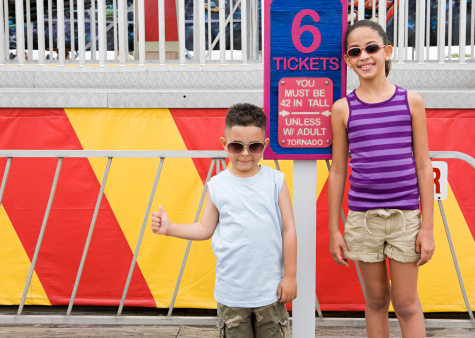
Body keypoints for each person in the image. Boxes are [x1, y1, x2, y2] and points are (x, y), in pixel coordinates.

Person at [151, 103, 297, 337]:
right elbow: (204, 228)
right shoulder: (217, 185)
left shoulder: (276, 181)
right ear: (224, 144)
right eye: (236, 146)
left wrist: (290, 276)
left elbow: (288, 229)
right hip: (232, 293)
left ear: (265, 145)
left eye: (254, 146)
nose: (246, 154)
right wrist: (170, 228)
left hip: (270, 291)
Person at [328, 20, 435, 338]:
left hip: (406, 219)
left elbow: (423, 166)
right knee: (375, 300)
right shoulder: (343, 109)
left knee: (405, 304)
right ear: (347, 60)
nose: (364, 56)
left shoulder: (411, 102)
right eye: (355, 51)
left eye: (371, 48)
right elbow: (337, 170)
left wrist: (427, 228)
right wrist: (335, 227)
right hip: (362, 219)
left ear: (387, 52)